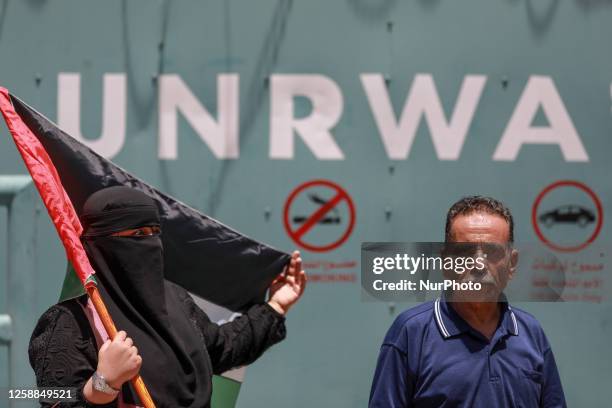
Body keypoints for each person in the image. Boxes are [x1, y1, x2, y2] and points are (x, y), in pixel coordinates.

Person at [28, 186, 307, 407]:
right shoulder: (71, 321)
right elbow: (49, 399)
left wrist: (277, 305)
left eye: (154, 232)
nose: (150, 243)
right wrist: (103, 384)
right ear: (102, 242)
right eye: (138, 233)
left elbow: (221, 350)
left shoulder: (174, 299)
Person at [369, 196, 566, 408]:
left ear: (512, 264)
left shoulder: (531, 333)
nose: (479, 265)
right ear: (445, 262)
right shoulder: (411, 333)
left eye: (492, 252)